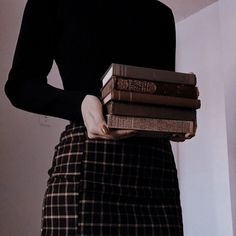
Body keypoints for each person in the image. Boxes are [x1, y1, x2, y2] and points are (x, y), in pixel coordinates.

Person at [5, 0, 183, 235]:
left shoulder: (161, 15)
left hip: (156, 170)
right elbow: (20, 86)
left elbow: (156, 92)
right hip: (89, 159)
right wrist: (79, 103)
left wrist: (176, 116)